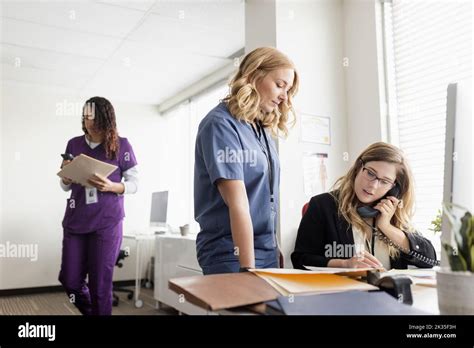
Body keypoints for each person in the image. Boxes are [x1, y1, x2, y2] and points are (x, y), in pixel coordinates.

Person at [194, 47, 299, 275]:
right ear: (253, 76)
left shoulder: (260, 129)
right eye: (280, 85)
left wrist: (274, 246)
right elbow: (238, 204)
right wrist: (247, 268)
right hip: (231, 252)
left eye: (288, 89)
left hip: (266, 250)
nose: (284, 96)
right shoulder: (221, 125)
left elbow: (264, 198)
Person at [292, 142, 437, 270]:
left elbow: (429, 258)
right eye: (370, 173)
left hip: (388, 297)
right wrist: (344, 264)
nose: (373, 185)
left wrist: (386, 226)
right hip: (342, 295)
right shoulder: (323, 205)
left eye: (384, 181)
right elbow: (300, 259)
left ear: (394, 189)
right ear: (358, 167)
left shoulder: (391, 214)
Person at [58, 96, 138, 315]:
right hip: (76, 221)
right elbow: (65, 186)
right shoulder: (74, 143)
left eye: (92, 117)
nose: (87, 122)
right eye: (84, 117)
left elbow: (134, 184)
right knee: (70, 280)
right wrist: (66, 176)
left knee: (100, 286)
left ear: (105, 119)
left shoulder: (122, 145)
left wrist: (112, 186)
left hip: (107, 223)